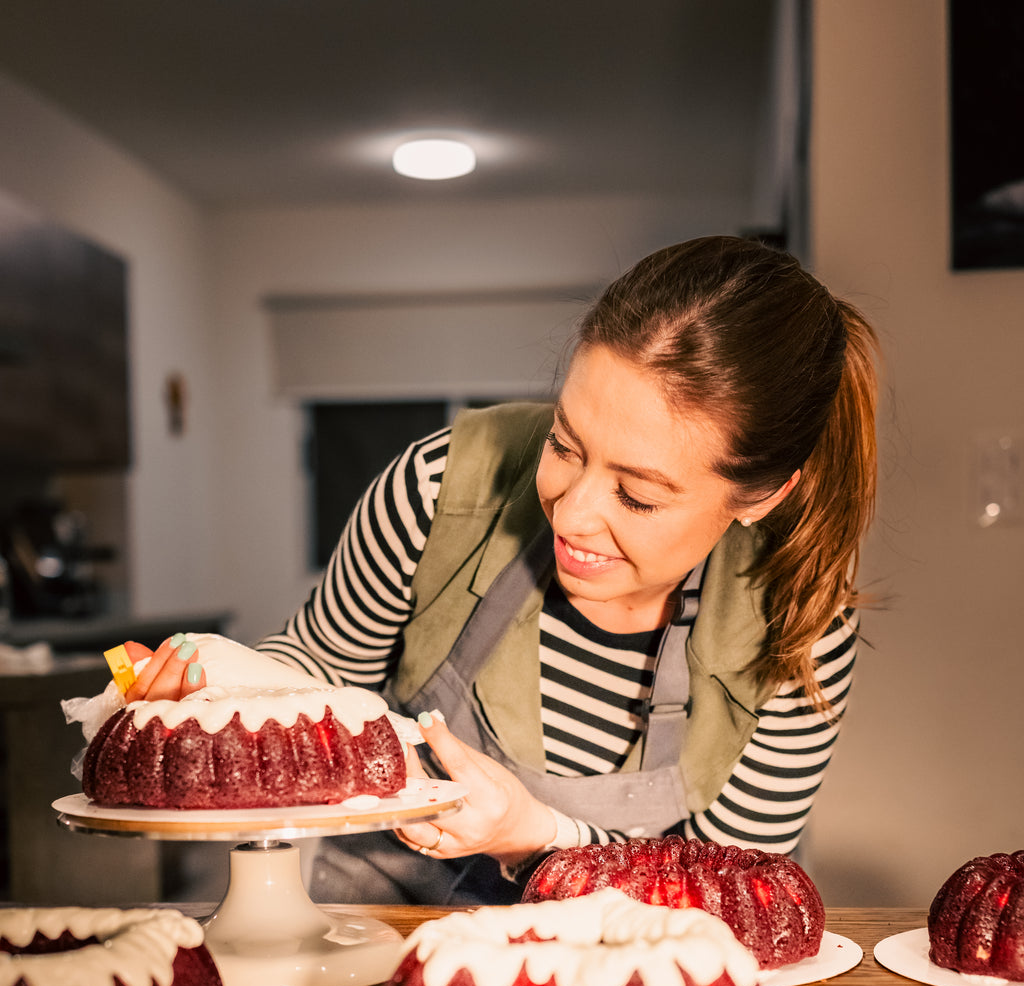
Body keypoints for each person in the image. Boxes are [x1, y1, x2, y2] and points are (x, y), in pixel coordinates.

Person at [129, 235, 879, 906]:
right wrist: (225, 682)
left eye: (637, 495)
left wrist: (533, 833)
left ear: (763, 495)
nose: (571, 512)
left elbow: (726, 891)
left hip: (629, 977)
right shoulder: (438, 488)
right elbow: (320, 666)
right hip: (379, 925)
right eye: (564, 445)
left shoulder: (801, 623)